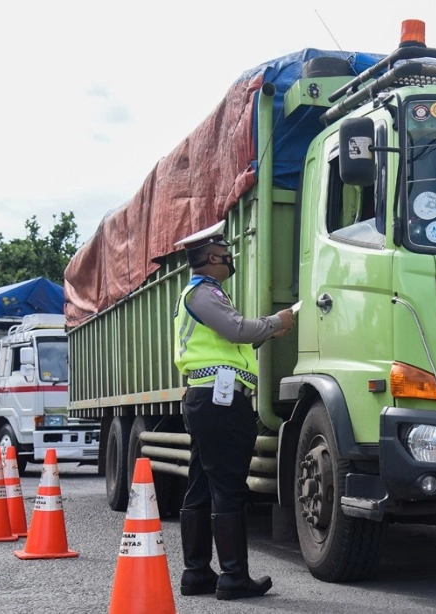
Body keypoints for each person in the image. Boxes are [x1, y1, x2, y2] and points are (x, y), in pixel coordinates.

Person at [171, 220, 295, 600]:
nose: (231, 258)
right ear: (212, 257)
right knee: (228, 487)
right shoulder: (204, 293)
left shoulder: (202, 295)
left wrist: (267, 332)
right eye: (227, 253)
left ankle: (197, 574)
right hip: (219, 401)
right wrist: (278, 321)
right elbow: (238, 330)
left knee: (201, 486)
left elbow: (235, 341)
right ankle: (233, 578)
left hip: (208, 398)